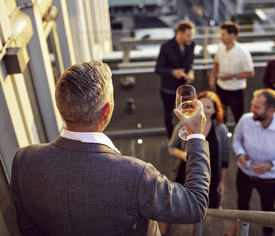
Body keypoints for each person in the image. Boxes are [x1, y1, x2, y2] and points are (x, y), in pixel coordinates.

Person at [10, 61, 210, 235]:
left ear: (61, 106)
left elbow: (28, 229)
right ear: (107, 111)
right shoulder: (136, 175)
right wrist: (196, 135)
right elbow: (195, 205)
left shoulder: (24, 160)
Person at [228, 88, 275, 236]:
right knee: (242, 202)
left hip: (269, 179)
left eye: (257, 107)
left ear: (271, 110)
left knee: (267, 208)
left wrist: (272, 165)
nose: (251, 109)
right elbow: (237, 139)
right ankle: (240, 226)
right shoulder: (245, 120)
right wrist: (240, 154)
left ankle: (268, 232)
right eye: (252, 105)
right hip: (244, 173)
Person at [161, 91, 229, 235]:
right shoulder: (183, 124)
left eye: (209, 107)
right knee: (173, 201)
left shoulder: (221, 130)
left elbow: (225, 160)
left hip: (210, 176)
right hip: (183, 172)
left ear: (216, 110)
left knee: (202, 205)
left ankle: (195, 230)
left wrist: (222, 182)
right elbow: (171, 147)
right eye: (201, 106)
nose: (204, 110)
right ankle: (165, 227)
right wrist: (185, 155)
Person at [208, 21, 254, 123]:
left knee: (238, 116)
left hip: (236, 90)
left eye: (223, 34)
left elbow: (250, 73)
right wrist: (212, 78)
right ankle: (223, 136)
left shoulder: (242, 52)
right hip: (221, 88)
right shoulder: (220, 47)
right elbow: (216, 64)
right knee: (220, 116)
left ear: (232, 35)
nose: (221, 37)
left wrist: (230, 76)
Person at [156, 20, 195, 138]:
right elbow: (158, 69)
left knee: (187, 114)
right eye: (188, 35)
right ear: (180, 33)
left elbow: (190, 63)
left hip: (184, 89)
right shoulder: (166, 46)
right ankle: (172, 140)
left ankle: (185, 138)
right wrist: (173, 72)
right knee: (169, 116)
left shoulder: (191, 45)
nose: (190, 38)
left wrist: (191, 73)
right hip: (168, 89)